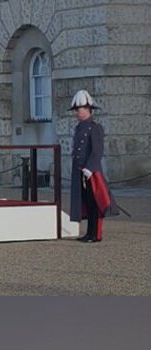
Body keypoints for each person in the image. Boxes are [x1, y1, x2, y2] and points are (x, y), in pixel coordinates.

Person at [69, 90, 118, 243]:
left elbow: (97, 151)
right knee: (86, 203)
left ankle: (95, 234)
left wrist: (89, 169)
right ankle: (88, 233)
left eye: (80, 109)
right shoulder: (79, 128)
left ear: (88, 109)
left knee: (94, 203)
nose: (77, 112)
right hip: (80, 171)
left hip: (91, 172)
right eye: (77, 110)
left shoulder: (94, 128)